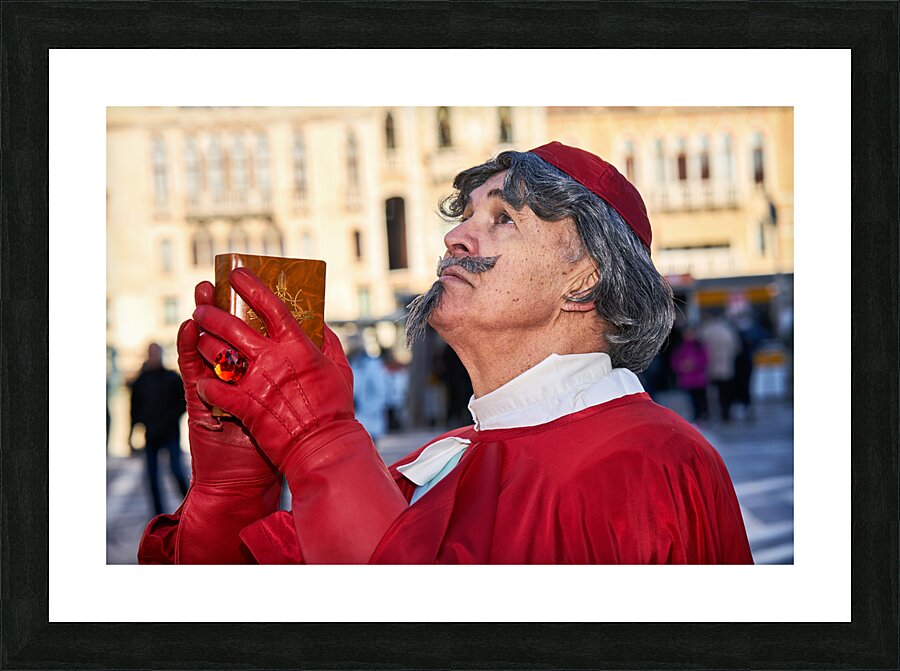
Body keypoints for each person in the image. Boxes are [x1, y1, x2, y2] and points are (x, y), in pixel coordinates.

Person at [139, 142, 752, 565]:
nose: (456, 236)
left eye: (504, 218)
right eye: (464, 216)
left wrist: (319, 439)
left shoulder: (649, 462)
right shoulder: (439, 462)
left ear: (584, 280)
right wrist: (232, 489)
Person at [129, 343, 189, 517]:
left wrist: (168, 418)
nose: (153, 356)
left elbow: (183, 403)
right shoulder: (141, 381)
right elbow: (134, 410)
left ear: (161, 354)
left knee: (176, 470)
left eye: (156, 353)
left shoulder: (171, 378)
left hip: (170, 433)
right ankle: (158, 515)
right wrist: (132, 434)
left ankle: (187, 508)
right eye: (151, 353)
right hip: (151, 435)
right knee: (152, 477)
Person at [699, 312, 741, 422]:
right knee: (726, 391)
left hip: (709, 366)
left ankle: (709, 413)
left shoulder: (705, 330)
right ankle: (725, 412)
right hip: (725, 365)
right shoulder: (727, 331)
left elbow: (700, 348)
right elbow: (736, 349)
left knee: (710, 391)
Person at [670, 325, 710, 422]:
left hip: (698, 378)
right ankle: (694, 417)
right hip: (686, 379)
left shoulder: (699, 346)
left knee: (700, 399)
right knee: (690, 400)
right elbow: (674, 361)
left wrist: (693, 364)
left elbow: (704, 359)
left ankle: (702, 415)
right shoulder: (680, 346)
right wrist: (682, 366)